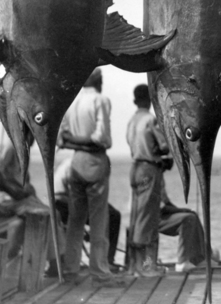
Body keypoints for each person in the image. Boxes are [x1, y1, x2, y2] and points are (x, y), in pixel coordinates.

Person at [57, 67, 123, 285]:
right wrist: (86, 141)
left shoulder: (72, 102)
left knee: (75, 220)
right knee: (98, 220)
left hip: (76, 162)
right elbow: (101, 138)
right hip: (95, 162)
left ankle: (70, 270)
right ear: (99, 81)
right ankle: (99, 271)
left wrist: (76, 141)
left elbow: (63, 139)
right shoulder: (100, 100)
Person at [125, 84, 172, 276]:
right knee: (148, 219)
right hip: (148, 169)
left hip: (135, 168)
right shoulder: (151, 119)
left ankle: (135, 265)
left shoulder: (132, 120)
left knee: (136, 217)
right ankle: (146, 266)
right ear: (150, 99)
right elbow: (164, 146)